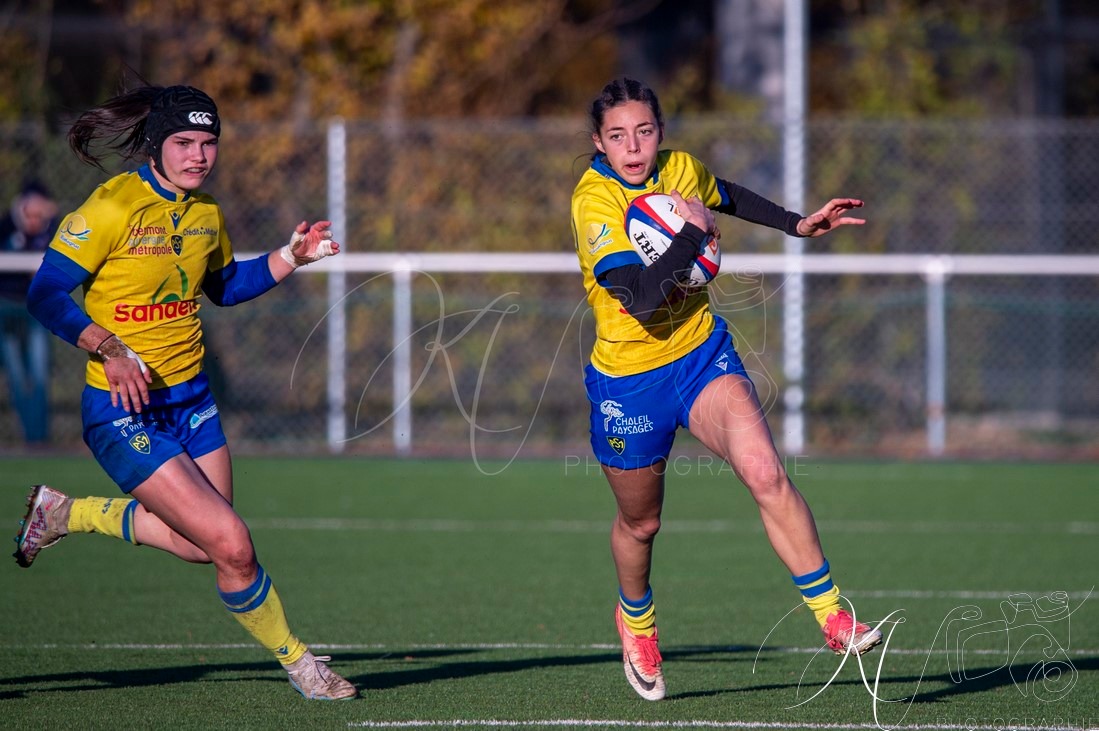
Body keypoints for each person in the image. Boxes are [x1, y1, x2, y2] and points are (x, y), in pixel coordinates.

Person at [12, 85, 357, 701]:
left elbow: (223, 286)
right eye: (183, 142)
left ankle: (67, 514)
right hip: (123, 410)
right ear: (155, 144)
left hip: (193, 404)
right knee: (233, 545)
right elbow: (45, 293)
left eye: (208, 143)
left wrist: (291, 256)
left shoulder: (206, 213)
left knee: (204, 549)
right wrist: (109, 348)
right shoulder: (112, 205)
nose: (198, 155)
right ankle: (301, 664)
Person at [570, 77, 882, 701]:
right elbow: (640, 297)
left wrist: (797, 223)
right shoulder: (593, 201)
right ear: (599, 143)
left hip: (700, 357)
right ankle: (637, 622)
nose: (634, 147)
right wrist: (693, 233)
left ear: (660, 132)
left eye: (645, 131)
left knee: (767, 473)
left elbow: (726, 194)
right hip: (629, 382)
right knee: (642, 523)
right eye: (618, 136)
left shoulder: (681, 169)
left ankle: (832, 613)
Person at [0, 180, 59, 443]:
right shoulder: (6, 227)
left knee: (39, 373)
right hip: (7, 310)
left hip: (35, 312)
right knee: (16, 375)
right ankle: (27, 434)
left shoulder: (53, 229)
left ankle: (39, 438)